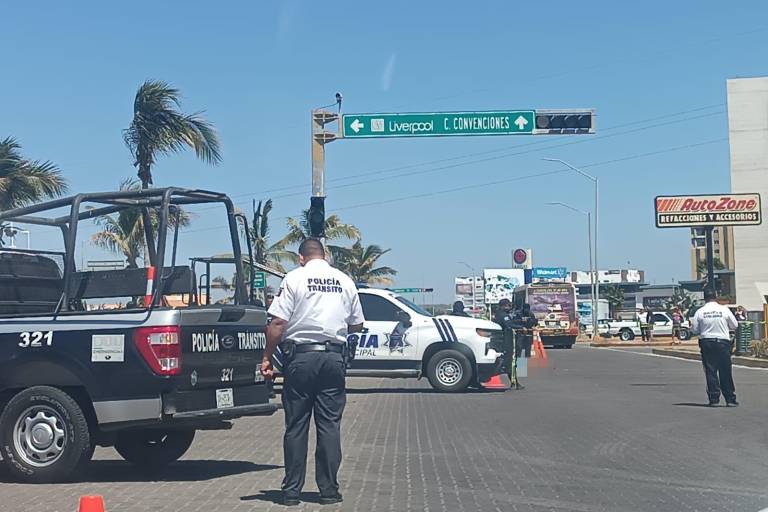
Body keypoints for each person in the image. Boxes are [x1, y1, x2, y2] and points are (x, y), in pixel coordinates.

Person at [260, 238, 364, 506]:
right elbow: (357, 324)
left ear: (301, 257)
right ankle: (328, 491)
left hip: (301, 359)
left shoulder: (294, 278)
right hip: (333, 358)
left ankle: (292, 492)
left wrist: (267, 357)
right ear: (325, 255)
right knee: (329, 425)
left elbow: (278, 323)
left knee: (296, 425)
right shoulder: (344, 281)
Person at [690, 287, 739, 407]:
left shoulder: (700, 312)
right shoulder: (724, 310)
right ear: (715, 296)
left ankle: (714, 398)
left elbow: (694, 329)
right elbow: (734, 325)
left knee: (711, 370)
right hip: (723, 342)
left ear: (705, 298)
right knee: (725, 370)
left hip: (707, 342)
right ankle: (730, 399)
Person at [493, 299, 516, 383]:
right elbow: (509, 325)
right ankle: (514, 382)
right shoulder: (503, 315)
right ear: (503, 306)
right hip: (506, 341)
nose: (509, 307)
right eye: (508, 305)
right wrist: (520, 327)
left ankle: (514, 381)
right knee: (510, 362)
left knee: (510, 362)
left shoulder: (498, 314)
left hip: (501, 341)